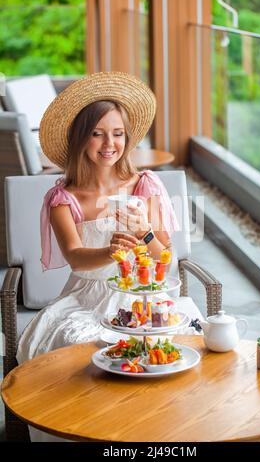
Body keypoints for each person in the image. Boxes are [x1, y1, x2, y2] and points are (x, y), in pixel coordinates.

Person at [16, 72, 201, 441]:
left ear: (127, 138)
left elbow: (164, 257)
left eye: (117, 133)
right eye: (97, 133)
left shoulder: (144, 185)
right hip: (87, 298)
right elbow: (75, 257)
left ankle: (162, 431)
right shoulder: (62, 198)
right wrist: (109, 250)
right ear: (81, 138)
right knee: (82, 352)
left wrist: (144, 231)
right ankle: (97, 431)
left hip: (144, 296)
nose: (108, 144)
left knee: (181, 343)